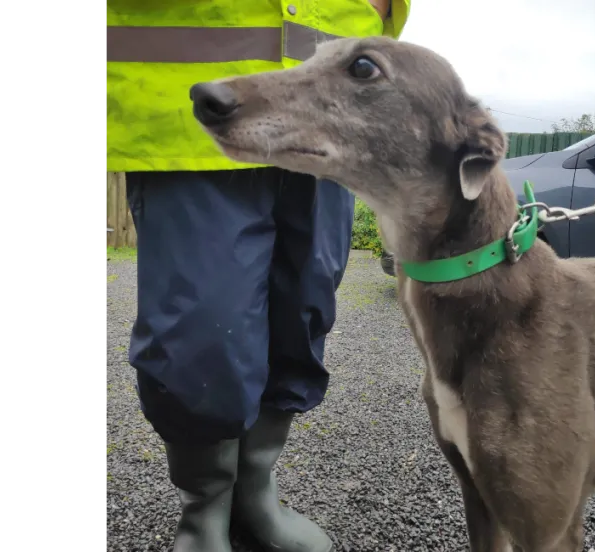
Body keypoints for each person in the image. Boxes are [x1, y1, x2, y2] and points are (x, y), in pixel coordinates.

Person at [106, 2, 410, 551]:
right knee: (201, 328)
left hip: (330, 118)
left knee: (303, 309)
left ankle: (255, 488)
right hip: (195, 116)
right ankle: (205, 504)